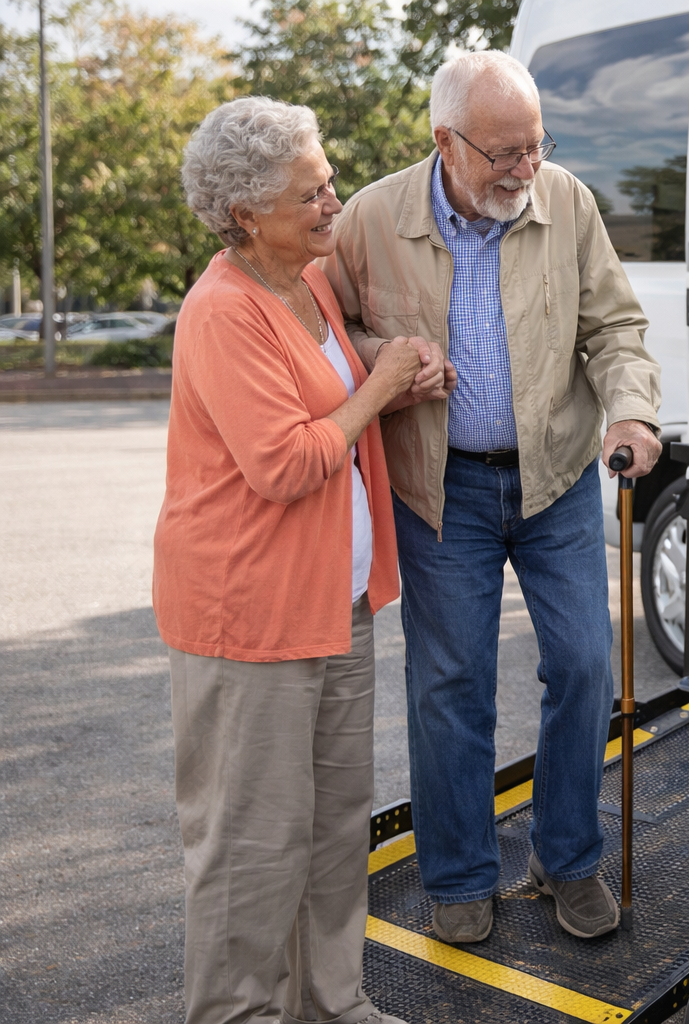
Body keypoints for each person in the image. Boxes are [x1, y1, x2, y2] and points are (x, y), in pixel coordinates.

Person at [323, 51, 662, 944]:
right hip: (441, 491)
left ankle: (567, 857)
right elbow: (330, 330)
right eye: (504, 153)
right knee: (450, 682)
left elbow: (615, 327)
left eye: (535, 147)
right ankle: (461, 874)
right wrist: (385, 366)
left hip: (552, 479)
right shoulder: (372, 217)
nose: (525, 170)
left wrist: (632, 413)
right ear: (446, 141)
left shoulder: (567, 201)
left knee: (587, 666)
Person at [159, 96, 447, 1024]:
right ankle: (238, 1013)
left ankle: (332, 1002)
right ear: (245, 214)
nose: (333, 203)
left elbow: (335, 387)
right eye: (309, 194)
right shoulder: (222, 310)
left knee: (330, 829)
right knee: (250, 845)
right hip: (249, 616)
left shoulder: (308, 279)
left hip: (336, 602)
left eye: (328, 181)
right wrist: (383, 389)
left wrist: (395, 372)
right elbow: (285, 462)